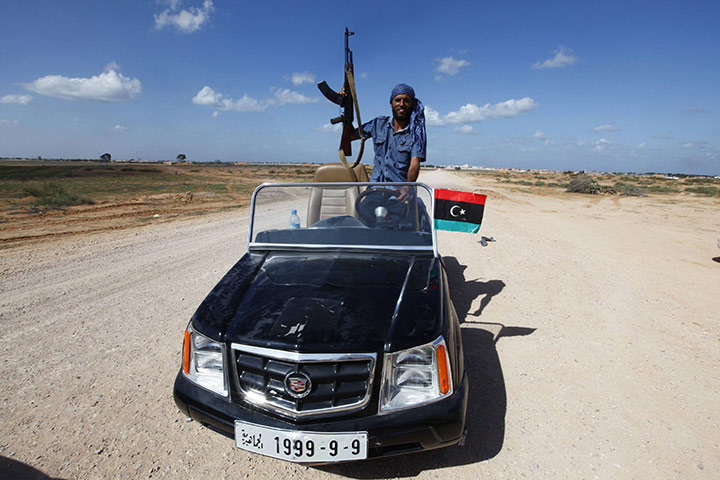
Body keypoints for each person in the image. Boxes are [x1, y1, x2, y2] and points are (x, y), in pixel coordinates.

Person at [350, 83, 426, 202]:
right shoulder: (378, 124)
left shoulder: (416, 134)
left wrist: (408, 187)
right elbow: (350, 136)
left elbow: (414, 164)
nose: (401, 104)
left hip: (399, 193)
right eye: (398, 100)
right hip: (374, 190)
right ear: (391, 103)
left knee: (406, 219)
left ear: (412, 104)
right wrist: (346, 106)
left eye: (406, 100)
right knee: (362, 216)